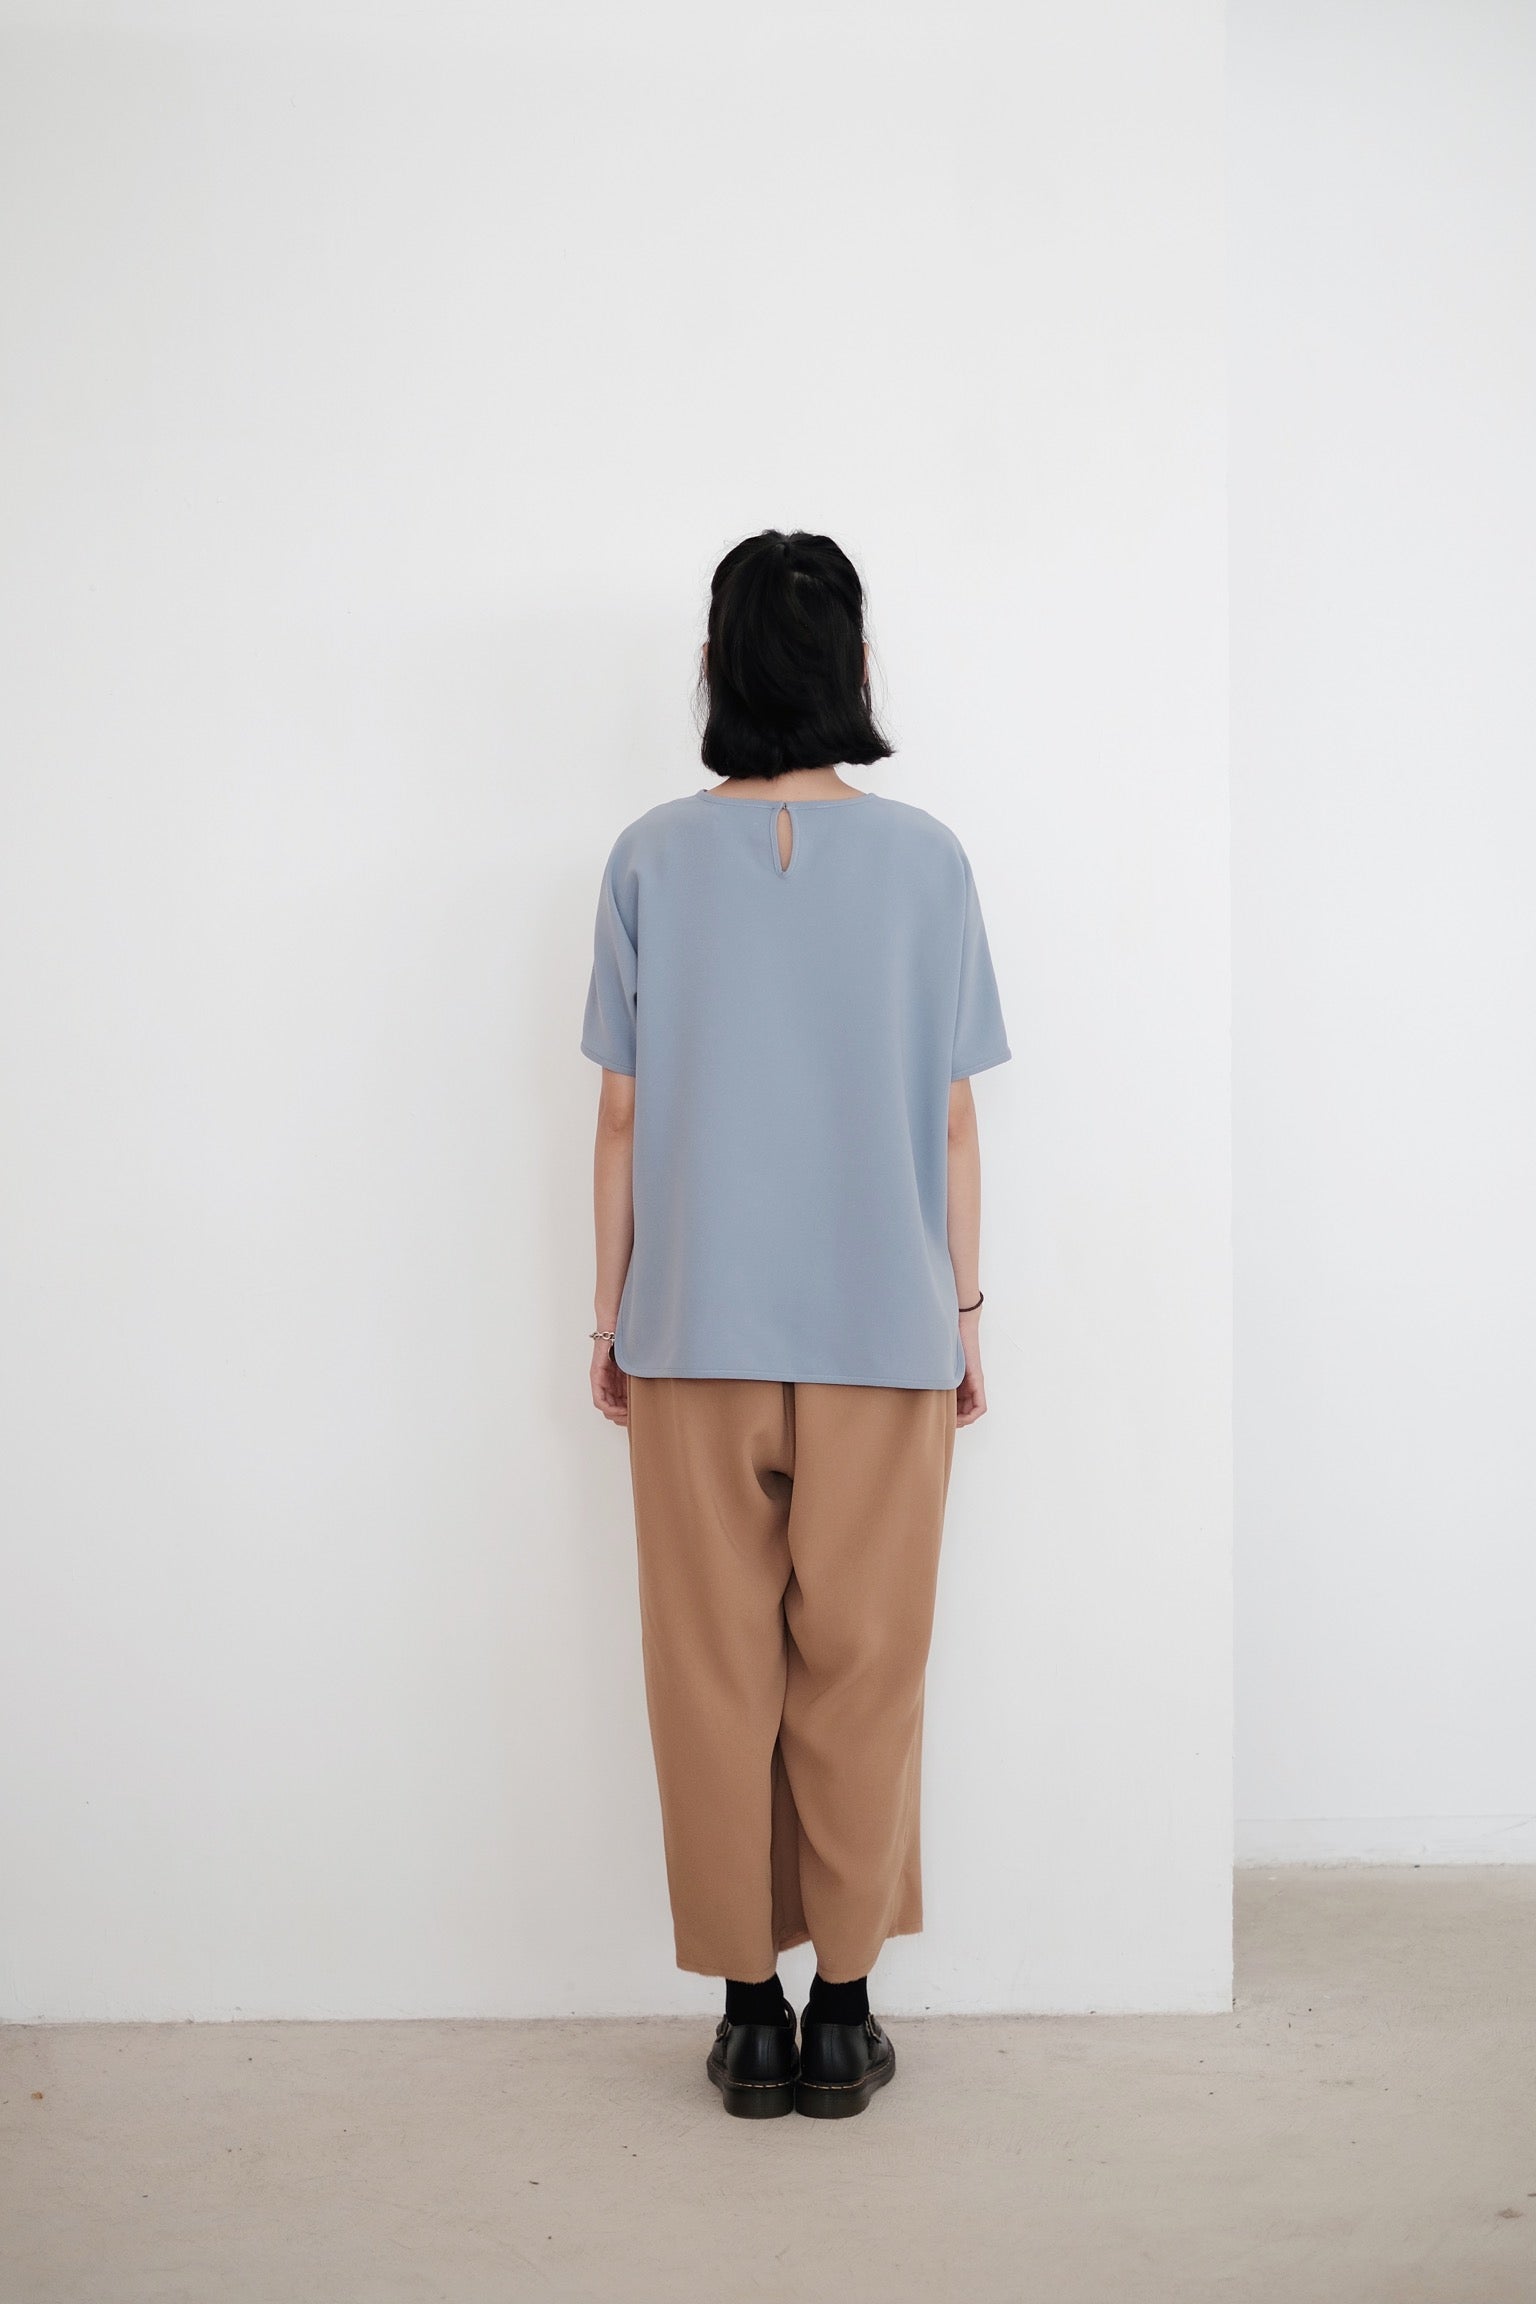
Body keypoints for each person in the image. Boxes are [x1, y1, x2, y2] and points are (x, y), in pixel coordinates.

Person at [580, 529, 1011, 2119]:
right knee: (866, 1672)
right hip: (884, 1334)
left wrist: (609, 1315)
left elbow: (622, 1116)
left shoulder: (646, 858)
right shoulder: (929, 862)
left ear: (714, 671)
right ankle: (845, 2011)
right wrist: (964, 1312)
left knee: (709, 1676)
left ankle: (746, 2018)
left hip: (692, 1330)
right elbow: (952, 1120)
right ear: (857, 670)